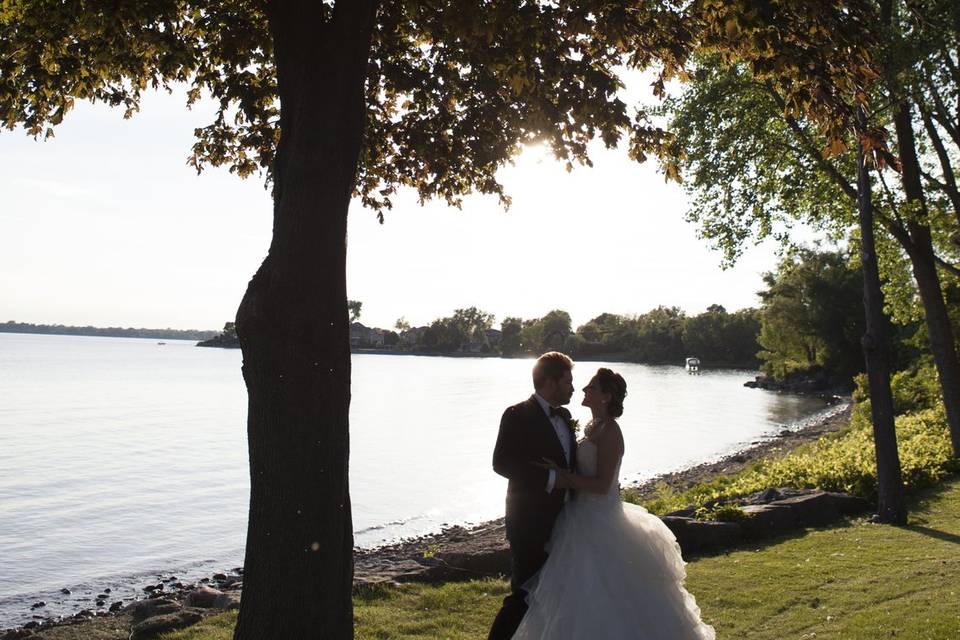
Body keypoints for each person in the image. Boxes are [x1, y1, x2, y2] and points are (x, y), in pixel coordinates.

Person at [513, 368, 716, 640]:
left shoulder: (611, 432)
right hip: (577, 517)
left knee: (607, 595)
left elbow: (602, 485)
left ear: (606, 397)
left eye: (592, 387)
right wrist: (558, 470)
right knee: (573, 595)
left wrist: (562, 479)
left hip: (600, 520)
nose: (584, 389)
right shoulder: (590, 426)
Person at [488, 351, 577, 640]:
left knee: (556, 593)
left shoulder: (564, 416)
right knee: (524, 594)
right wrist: (552, 478)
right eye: (568, 381)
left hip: (565, 521)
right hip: (529, 522)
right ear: (551, 382)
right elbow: (502, 463)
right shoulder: (517, 414)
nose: (572, 388)